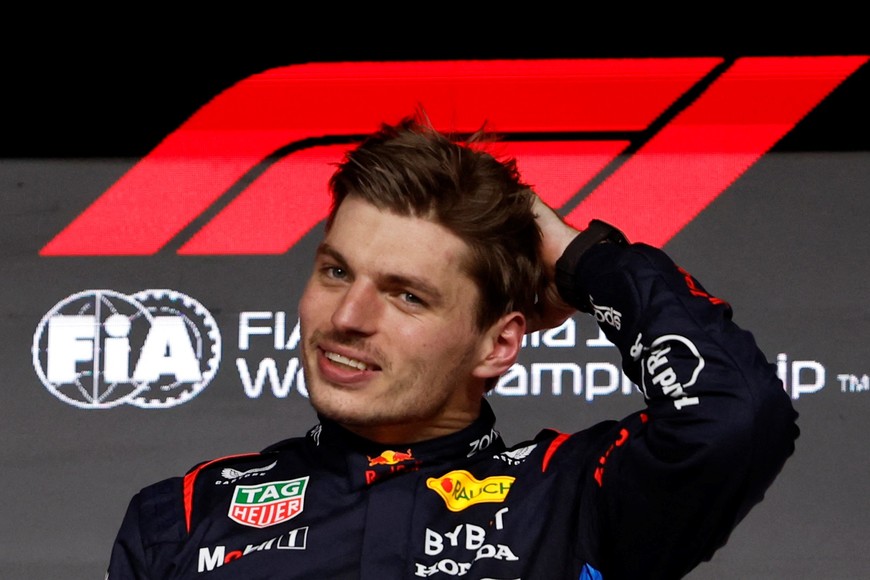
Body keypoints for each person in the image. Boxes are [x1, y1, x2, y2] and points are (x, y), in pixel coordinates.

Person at [106, 113, 799, 579]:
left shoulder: (573, 502)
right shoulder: (190, 515)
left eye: (408, 294)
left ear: (497, 347)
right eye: (336, 270)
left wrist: (584, 261)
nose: (347, 315)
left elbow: (735, 415)